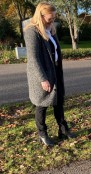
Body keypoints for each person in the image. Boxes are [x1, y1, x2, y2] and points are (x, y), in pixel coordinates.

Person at [24, 2, 74, 146]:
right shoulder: (32, 31)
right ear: (40, 16)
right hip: (42, 74)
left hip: (55, 71)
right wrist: (43, 79)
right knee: (42, 104)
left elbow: (55, 50)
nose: (52, 21)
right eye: (49, 18)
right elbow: (33, 58)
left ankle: (63, 129)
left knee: (59, 101)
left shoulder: (50, 29)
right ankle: (42, 133)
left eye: (53, 18)